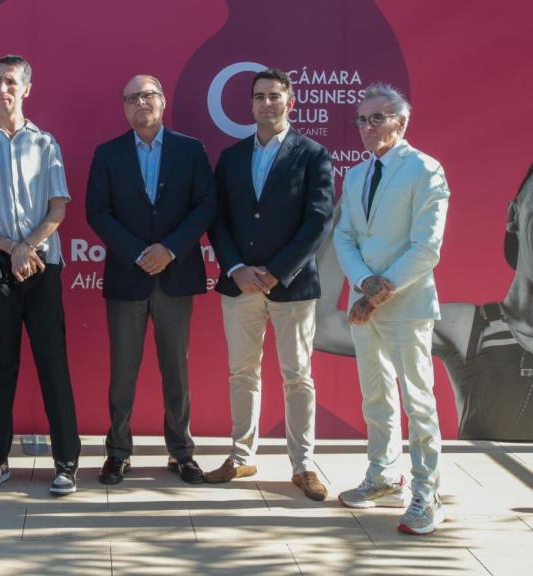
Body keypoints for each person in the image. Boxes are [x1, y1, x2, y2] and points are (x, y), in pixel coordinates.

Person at [315, 166, 533, 443]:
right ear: (514, 214)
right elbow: (321, 326)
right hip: (482, 474)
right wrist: (350, 205)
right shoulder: (467, 328)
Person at [204, 68, 334, 501]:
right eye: (259, 97)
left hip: (291, 286)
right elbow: (217, 219)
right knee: (242, 372)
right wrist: (236, 267)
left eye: (275, 96)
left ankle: (303, 465)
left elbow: (318, 220)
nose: (266, 103)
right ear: (251, 104)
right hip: (240, 285)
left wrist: (278, 270)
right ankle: (241, 456)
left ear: (290, 102)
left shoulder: (313, 154)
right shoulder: (231, 157)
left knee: (297, 376)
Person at [0, 55, 82, 496]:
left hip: (43, 267)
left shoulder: (46, 144)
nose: (2, 87)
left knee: (53, 366)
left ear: (27, 88)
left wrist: (29, 246)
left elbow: (59, 207)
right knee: (1, 368)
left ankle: (66, 461)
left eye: (11, 81)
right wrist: (12, 248)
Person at [85, 75, 216, 486]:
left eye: (147, 95)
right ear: (124, 107)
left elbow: (205, 206)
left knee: (176, 369)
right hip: (128, 275)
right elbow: (97, 211)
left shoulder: (190, 150)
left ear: (161, 101)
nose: (140, 102)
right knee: (123, 370)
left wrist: (170, 249)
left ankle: (181, 453)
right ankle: (118, 452)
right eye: (131, 98)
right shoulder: (107, 154)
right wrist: (139, 253)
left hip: (176, 276)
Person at [333, 83, 450, 535]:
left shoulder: (425, 169)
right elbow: (344, 236)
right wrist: (362, 283)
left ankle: (428, 493)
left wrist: (377, 292)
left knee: (418, 401)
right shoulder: (357, 175)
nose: (366, 127)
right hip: (366, 306)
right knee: (376, 396)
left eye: (376, 118)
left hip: (407, 306)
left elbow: (427, 247)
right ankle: (383, 476)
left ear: (400, 123)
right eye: (361, 120)